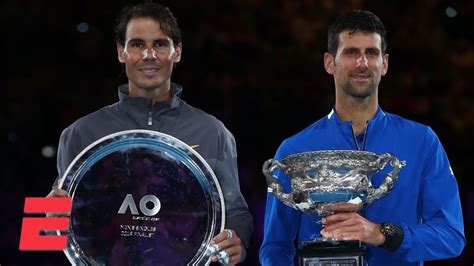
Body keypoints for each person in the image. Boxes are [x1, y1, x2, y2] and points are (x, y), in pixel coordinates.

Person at [47, 2, 253, 264]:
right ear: (121, 52)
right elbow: (50, 226)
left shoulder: (212, 131)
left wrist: (237, 241)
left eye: (159, 44)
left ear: (176, 52)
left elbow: (235, 211)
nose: (148, 54)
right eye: (136, 44)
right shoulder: (80, 133)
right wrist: (48, 220)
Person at [259, 10, 465, 265]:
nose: (362, 63)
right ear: (329, 62)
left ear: (384, 63)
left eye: (372, 53)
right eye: (351, 52)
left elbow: (451, 236)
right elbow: (274, 247)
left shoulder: (422, 140)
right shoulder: (293, 150)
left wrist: (382, 233)